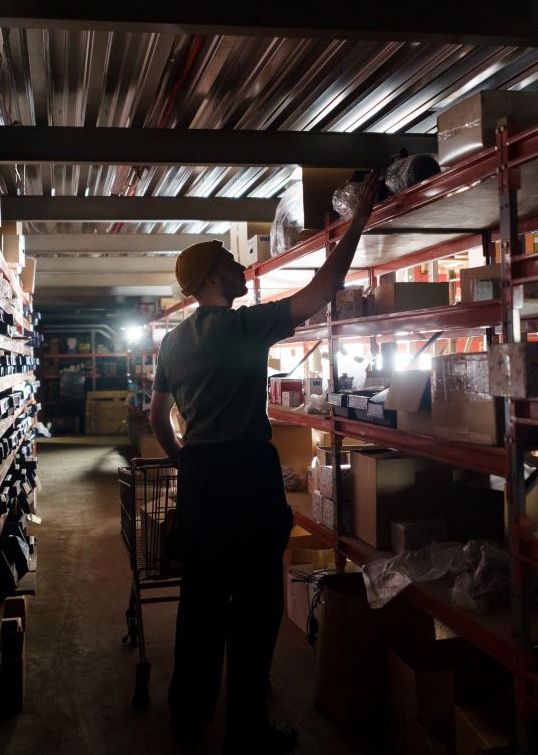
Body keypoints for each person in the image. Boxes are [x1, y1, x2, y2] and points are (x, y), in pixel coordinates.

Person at [148, 172, 379, 753]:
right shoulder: (246, 327)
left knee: (200, 600)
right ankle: (246, 730)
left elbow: (156, 419)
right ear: (208, 279)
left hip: (201, 476)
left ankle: (189, 713)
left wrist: (184, 461)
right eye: (230, 262)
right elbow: (325, 289)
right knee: (253, 605)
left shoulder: (171, 345)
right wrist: (359, 220)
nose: (240, 268)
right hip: (247, 475)